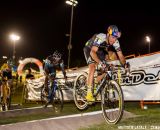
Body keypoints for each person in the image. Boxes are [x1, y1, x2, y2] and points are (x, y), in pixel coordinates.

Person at [83, 25, 127, 102]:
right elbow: (92, 52)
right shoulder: (101, 37)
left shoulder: (116, 42)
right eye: (113, 37)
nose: (114, 40)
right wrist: (100, 63)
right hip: (90, 49)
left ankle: (96, 82)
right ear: (108, 34)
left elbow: (120, 55)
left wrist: (125, 64)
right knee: (92, 67)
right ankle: (89, 94)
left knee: (107, 68)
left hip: (100, 51)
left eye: (116, 38)